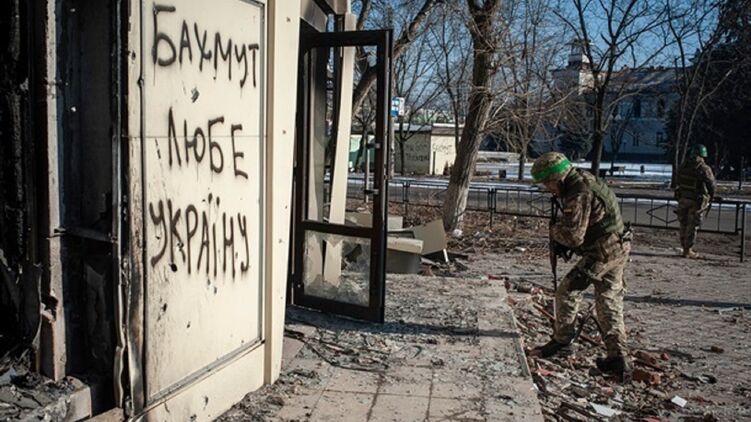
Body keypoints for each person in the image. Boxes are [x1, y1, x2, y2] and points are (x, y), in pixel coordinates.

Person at [529, 152, 632, 382]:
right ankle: (618, 358)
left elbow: (574, 236)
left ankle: (563, 342)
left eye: (547, 183)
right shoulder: (582, 179)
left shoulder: (578, 191)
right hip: (617, 246)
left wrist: (554, 231)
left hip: (602, 251)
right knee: (609, 300)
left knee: (567, 291)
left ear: (557, 178)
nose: (547, 188)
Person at [675, 144, 716, 258]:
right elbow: (711, 184)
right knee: (692, 226)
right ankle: (688, 250)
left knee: (683, 224)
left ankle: (684, 247)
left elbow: (678, 180)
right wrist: (712, 196)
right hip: (696, 201)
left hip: (683, 198)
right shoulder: (703, 168)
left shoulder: (684, 166)